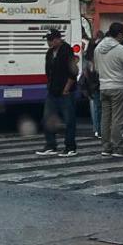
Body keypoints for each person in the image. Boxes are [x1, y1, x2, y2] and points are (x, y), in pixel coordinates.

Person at [94, 23, 123, 157]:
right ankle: (117, 147)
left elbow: (97, 69)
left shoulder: (98, 48)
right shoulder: (120, 49)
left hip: (103, 86)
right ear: (119, 34)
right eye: (122, 34)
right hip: (118, 86)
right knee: (118, 118)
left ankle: (106, 147)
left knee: (105, 118)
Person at [37, 28, 78, 156]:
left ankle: (70, 147)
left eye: (51, 40)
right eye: (48, 40)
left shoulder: (67, 51)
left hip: (65, 91)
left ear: (58, 39)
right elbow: (48, 72)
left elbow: (73, 72)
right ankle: (51, 145)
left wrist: (66, 88)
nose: (49, 43)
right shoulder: (49, 53)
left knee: (69, 120)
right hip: (52, 90)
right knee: (47, 118)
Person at [82, 31, 103, 138]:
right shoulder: (98, 58)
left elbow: (86, 73)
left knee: (95, 107)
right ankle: (99, 129)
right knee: (100, 107)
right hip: (98, 84)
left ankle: (96, 128)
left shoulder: (87, 59)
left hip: (92, 85)